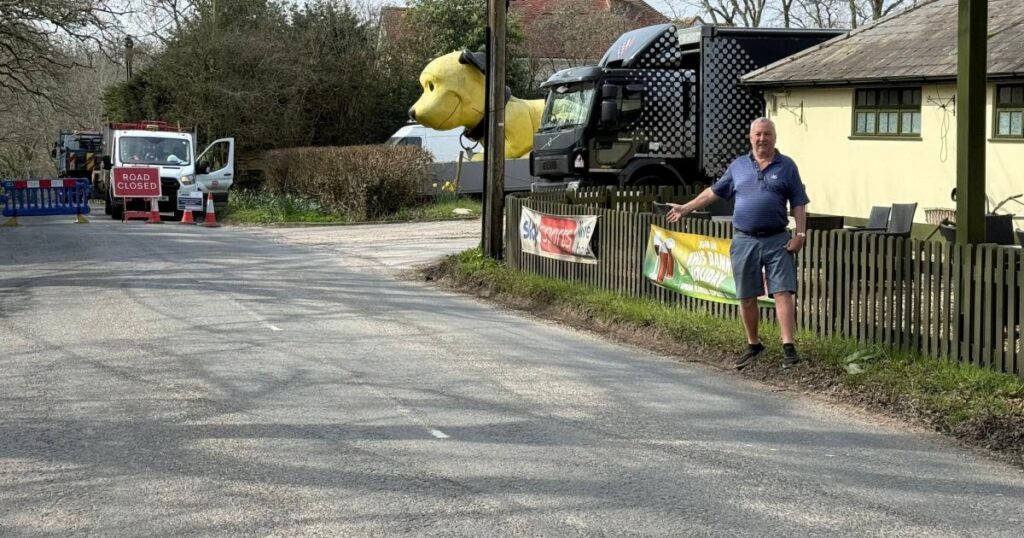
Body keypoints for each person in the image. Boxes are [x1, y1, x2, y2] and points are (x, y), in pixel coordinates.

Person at [666, 117, 808, 370]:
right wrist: (686, 208)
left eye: (767, 134)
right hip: (744, 239)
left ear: (774, 137)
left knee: (783, 291)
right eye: (758, 134)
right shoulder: (739, 166)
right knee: (746, 295)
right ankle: (754, 345)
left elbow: (798, 202)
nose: (762, 139)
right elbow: (713, 192)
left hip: (777, 239)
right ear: (750, 137)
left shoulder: (787, 166)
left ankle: (789, 348)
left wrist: (800, 235)